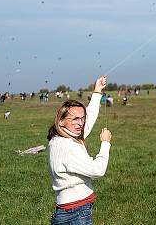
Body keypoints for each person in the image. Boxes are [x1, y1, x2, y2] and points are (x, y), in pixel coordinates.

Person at [47, 76, 112, 225]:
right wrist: (105, 144)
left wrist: (97, 91)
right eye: (75, 119)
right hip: (75, 213)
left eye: (82, 118)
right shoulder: (67, 147)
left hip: (72, 211)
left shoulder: (60, 137)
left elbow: (87, 120)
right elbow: (97, 170)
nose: (80, 123)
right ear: (61, 121)